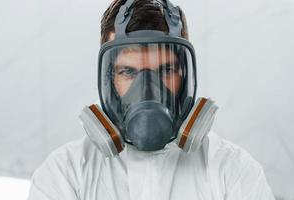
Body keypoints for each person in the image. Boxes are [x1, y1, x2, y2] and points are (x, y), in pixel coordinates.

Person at [27, 0, 275, 199]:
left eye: (165, 71)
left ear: (185, 75)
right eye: (128, 72)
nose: (147, 90)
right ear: (109, 78)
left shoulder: (232, 170)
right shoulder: (66, 173)